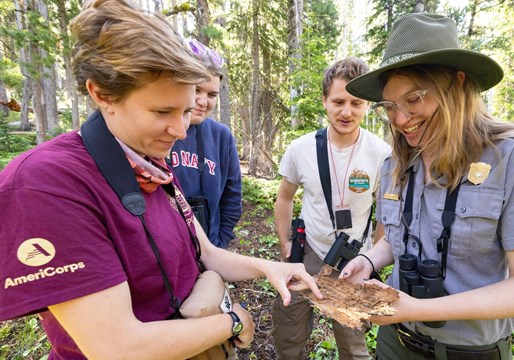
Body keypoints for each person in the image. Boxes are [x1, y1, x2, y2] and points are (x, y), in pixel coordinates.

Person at [0, 1, 321, 359]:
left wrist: (268, 267)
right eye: (162, 111)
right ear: (102, 94)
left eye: (185, 110)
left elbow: (207, 253)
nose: (181, 130)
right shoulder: (46, 184)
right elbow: (116, 348)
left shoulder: (148, 164)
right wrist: (232, 322)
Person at [339, 13, 514, 360]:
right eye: (390, 106)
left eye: (414, 99)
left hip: (470, 352)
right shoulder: (396, 163)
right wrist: (367, 260)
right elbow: (393, 238)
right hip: (395, 342)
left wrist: (416, 309)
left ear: (457, 84)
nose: (400, 120)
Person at [271, 57, 391, 359]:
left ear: (366, 105)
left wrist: (373, 257)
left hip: (354, 261)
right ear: (325, 100)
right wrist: (285, 244)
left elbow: (385, 213)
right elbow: (284, 197)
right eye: (338, 101)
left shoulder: (381, 153)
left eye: (356, 103)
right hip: (306, 254)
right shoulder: (301, 149)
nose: (346, 112)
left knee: (353, 344)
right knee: (289, 333)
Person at [170, 39, 242, 249]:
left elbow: (232, 196)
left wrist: (219, 244)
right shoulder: (160, 132)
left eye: (212, 94)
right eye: (197, 90)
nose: (203, 101)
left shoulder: (221, 136)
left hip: (209, 250)